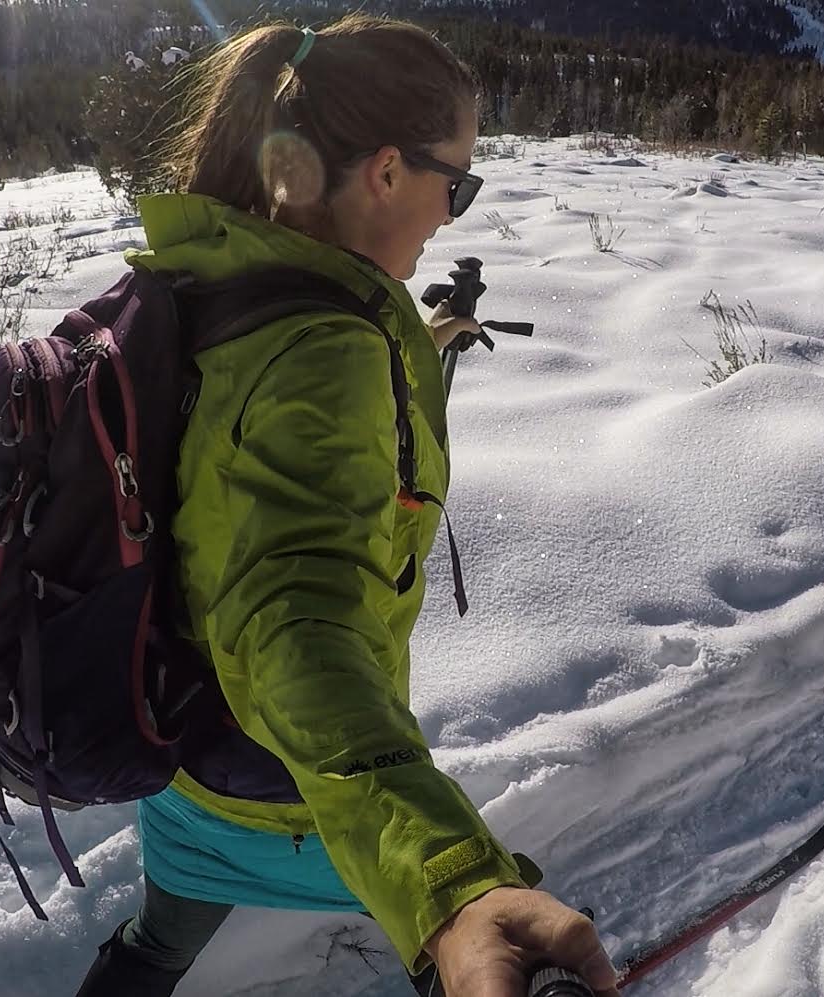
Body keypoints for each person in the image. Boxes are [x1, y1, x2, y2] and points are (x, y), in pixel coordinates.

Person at [72, 15, 617, 997]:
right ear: (385, 173)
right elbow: (295, 618)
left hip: (183, 757)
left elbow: (268, 452)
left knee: (156, 946)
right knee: (467, 947)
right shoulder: (327, 354)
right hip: (294, 787)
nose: (454, 212)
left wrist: (421, 343)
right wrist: (454, 892)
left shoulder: (230, 272)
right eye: (458, 183)